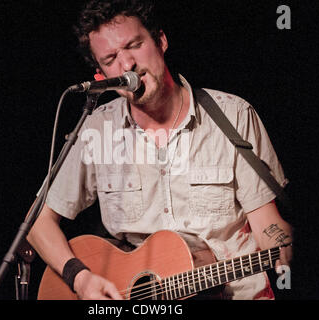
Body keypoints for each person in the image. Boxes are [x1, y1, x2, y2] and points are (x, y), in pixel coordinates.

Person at [27, 0, 293, 300]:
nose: (127, 64)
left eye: (134, 45)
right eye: (111, 58)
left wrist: (282, 243)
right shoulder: (96, 129)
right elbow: (38, 225)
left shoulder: (234, 117)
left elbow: (267, 225)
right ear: (100, 76)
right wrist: (81, 279)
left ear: (161, 41)